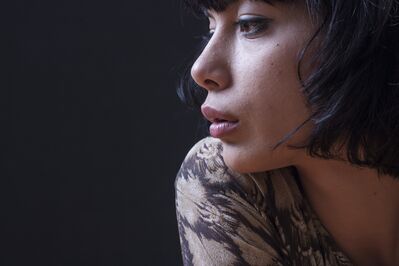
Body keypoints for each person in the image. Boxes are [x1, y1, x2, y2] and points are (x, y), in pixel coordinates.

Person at [175, 0, 399, 265]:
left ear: (363, 34)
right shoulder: (225, 180)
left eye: (250, 25)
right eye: (211, 30)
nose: (200, 70)